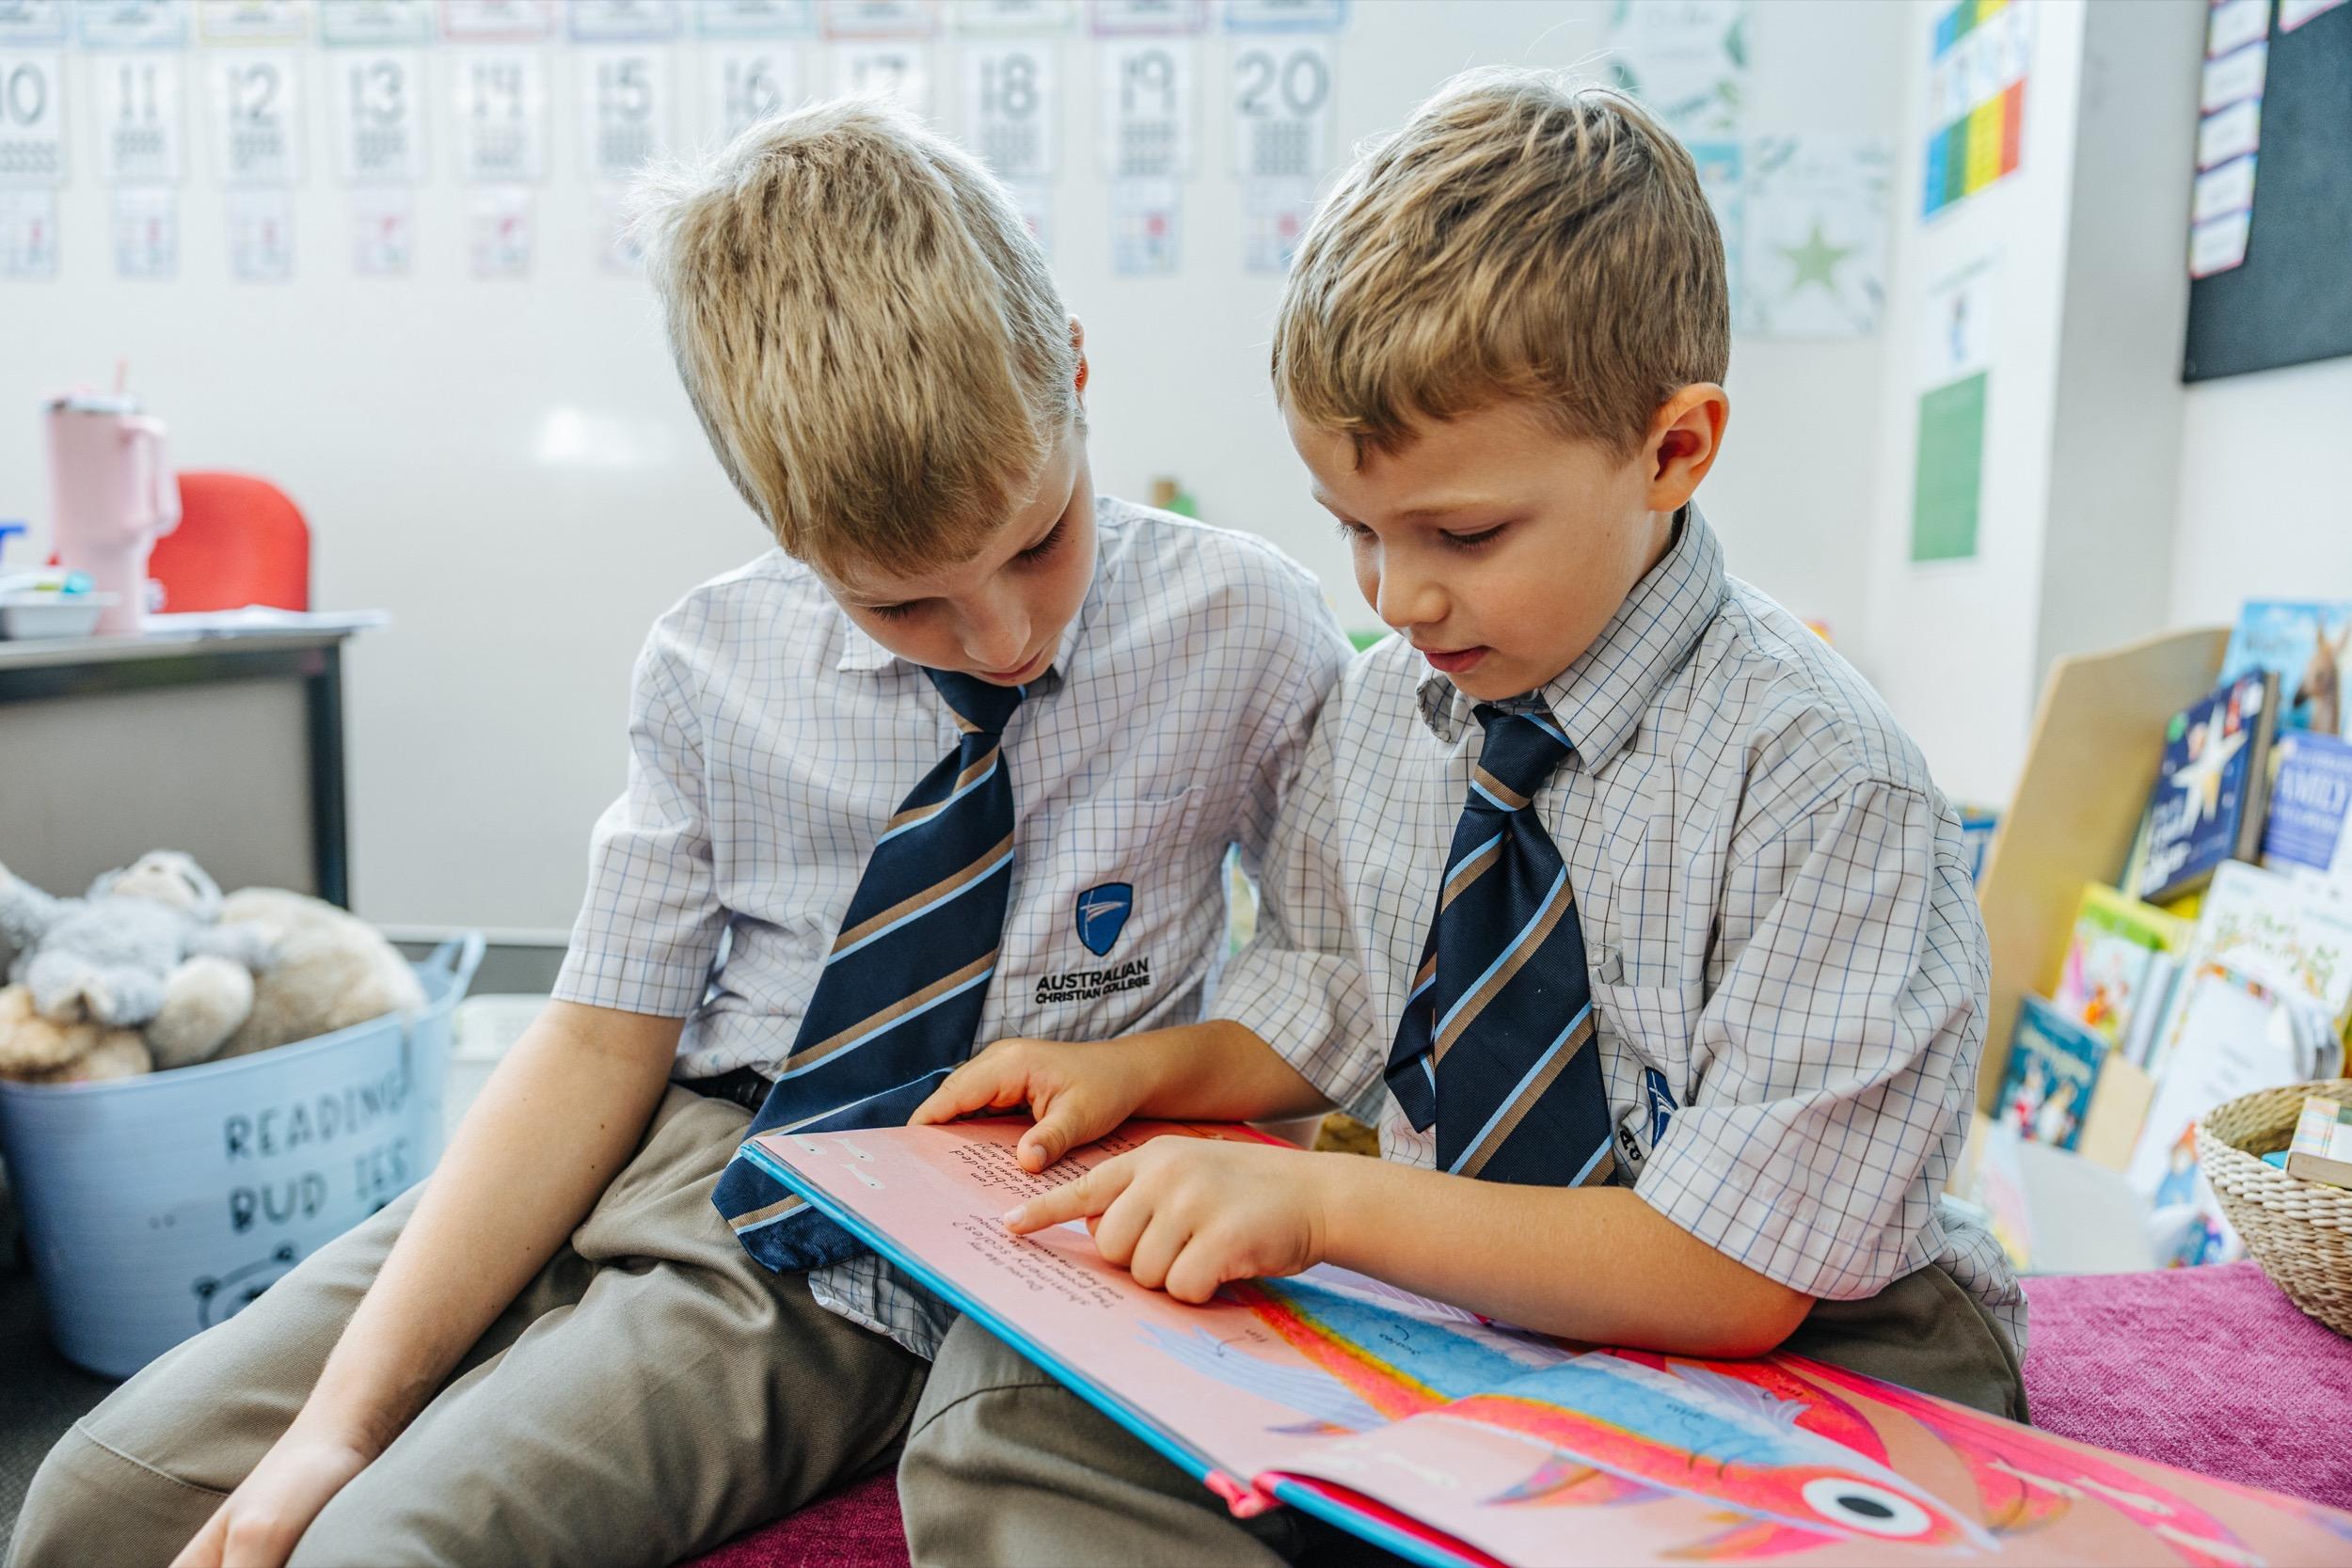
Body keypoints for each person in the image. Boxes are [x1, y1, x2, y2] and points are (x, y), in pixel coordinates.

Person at [9, 99, 1347, 1568]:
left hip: (898, 1208)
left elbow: (1338, 988)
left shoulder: (1244, 624)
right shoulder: (714, 664)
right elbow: (597, 1039)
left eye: (1040, 540)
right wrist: (337, 1422)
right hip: (675, 1124)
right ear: (777, 522)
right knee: (96, 1504)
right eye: (903, 603)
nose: (1007, 634)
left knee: (374, 1550)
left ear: (1078, 375)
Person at [895, 69, 2026, 1568]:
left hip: (1817, 1335)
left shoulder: (1827, 782)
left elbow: (1732, 1280)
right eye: (1354, 527)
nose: (1397, 595)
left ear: (1674, 450)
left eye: (1465, 534)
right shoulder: (1392, 709)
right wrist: (1137, 1073)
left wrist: (1316, 1206)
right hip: (1478, 1284)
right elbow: (1333, 1002)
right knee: (1006, 1428)